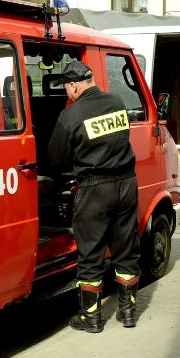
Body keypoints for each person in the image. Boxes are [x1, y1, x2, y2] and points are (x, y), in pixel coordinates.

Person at [47, 60, 140, 333]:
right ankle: (128, 313)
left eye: (67, 88)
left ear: (74, 85)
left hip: (94, 188)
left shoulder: (70, 115)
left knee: (91, 254)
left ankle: (91, 318)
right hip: (126, 184)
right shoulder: (117, 101)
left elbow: (56, 159)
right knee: (126, 251)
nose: (67, 93)